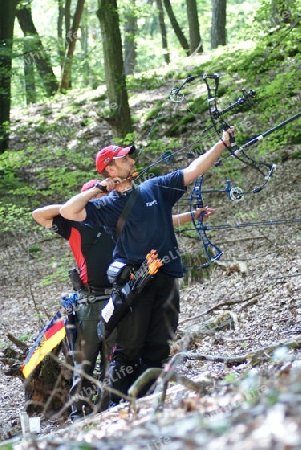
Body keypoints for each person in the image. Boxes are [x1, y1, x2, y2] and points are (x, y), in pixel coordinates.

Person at [59, 132, 232, 406]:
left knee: (158, 347)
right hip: (135, 285)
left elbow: (194, 169)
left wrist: (221, 144)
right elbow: (69, 212)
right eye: (123, 158)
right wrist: (97, 190)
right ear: (110, 169)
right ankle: (112, 408)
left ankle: (147, 403)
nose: (130, 159)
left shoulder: (155, 188)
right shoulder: (106, 205)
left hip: (166, 278)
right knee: (128, 350)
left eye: (128, 156)